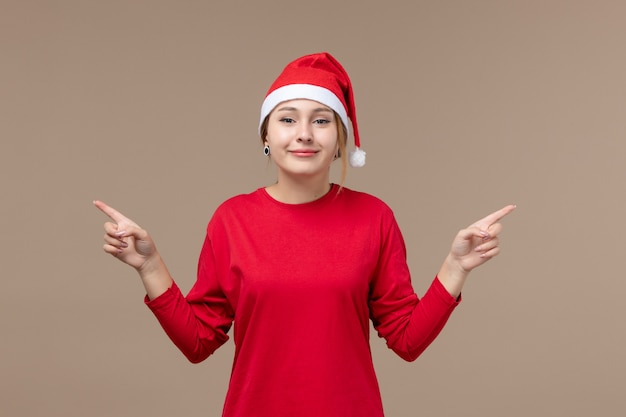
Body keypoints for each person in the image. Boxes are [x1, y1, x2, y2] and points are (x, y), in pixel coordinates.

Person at [94, 52, 515, 417]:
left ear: (339, 141)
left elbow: (407, 339)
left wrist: (456, 267)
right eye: (287, 119)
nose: (304, 133)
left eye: (321, 120)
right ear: (266, 135)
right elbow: (198, 341)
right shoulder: (231, 220)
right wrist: (149, 265)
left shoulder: (374, 218)